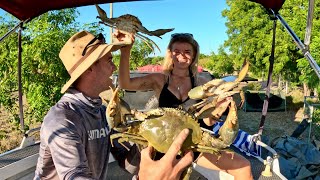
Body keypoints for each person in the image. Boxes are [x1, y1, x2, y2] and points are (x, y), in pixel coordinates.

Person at [34, 30, 193, 180]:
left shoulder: (102, 112)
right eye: (109, 60)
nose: (114, 67)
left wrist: (149, 138)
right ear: (89, 68)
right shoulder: (63, 119)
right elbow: (75, 175)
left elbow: (128, 164)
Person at [118, 31, 253, 180]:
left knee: (243, 167)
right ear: (170, 54)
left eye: (187, 51)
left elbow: (208, 121)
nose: (182, 56)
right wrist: (125, 50)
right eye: (177, 51)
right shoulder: (160, 79)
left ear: (194, 54)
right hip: (161, 146)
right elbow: (125, 83)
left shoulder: (203, 83)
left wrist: (220, 107)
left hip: (193, 145)